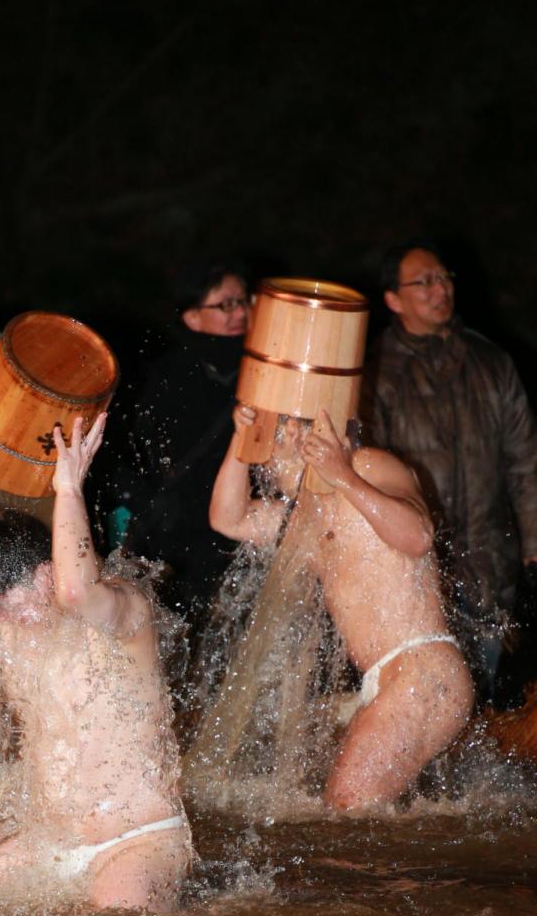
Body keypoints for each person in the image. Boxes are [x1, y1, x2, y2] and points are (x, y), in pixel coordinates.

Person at [0, 413, 192, 912]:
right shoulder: (1, 628)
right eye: (1, 602)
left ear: (48, 565)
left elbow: (76, 592)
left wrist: (68, 488)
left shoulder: (123, 610)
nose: (17, 611)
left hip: (137, 839)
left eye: (24, 589)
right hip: (53, 842)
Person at [208, 402, 475, 810]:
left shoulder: (367, 465)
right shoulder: (303, 518)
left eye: (282, 436)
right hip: (394, 678)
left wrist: (344, 476)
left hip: (422, 669)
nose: (273, 457)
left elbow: (417, 536)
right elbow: (229, 520)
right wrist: (239, 443)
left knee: (348, 810)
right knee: (360, 821)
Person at [361, 240, 537, 704]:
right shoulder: (377, 371)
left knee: (486, 695)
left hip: (488, 558)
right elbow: (363, 468)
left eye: (444, 278)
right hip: (418, 566)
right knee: (426, 698)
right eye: (424, 281)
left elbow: (525, 461)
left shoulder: (492, 363)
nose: (440, 289)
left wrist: (533, 540)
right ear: (394, 299)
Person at [115, 260, 250, 631]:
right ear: (192, 317)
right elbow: (131, 459)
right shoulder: (165, 377)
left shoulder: (261, 372)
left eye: (244, 301)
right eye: (225, 305)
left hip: (241, 536)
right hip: (179, 546)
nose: (240, 313)